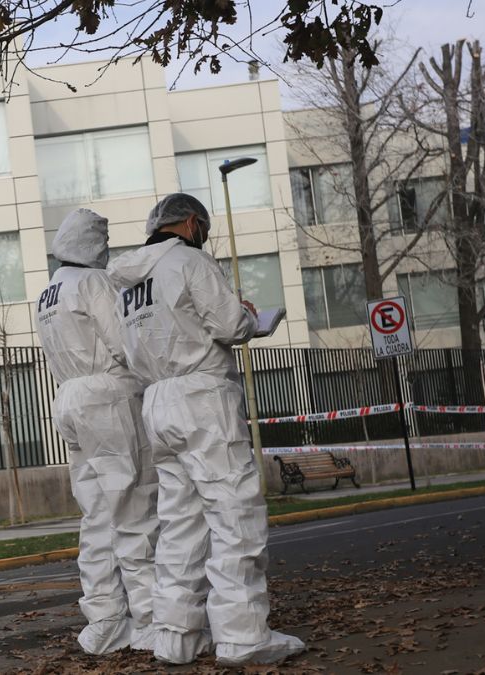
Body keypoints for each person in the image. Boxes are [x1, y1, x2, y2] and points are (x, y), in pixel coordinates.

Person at [107, 193, 305, 666]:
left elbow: (128, 348)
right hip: (202, 395)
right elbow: (231, 325)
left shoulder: (129, 285)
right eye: (204, 227)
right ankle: (243, 636)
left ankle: (176, 635)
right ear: (192, 223)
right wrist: (245, 314)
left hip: (157, 399)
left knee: (180, 522)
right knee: (233, 513)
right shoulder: (190, 262)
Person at [36, 208, 159, 655]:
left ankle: (105, 619)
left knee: (96, 516)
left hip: (69, 399)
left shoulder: (48, 291)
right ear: (94, 244)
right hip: (107, 396)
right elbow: (123, 342)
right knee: (134, 506)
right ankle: (150, 619)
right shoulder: (92, 283)